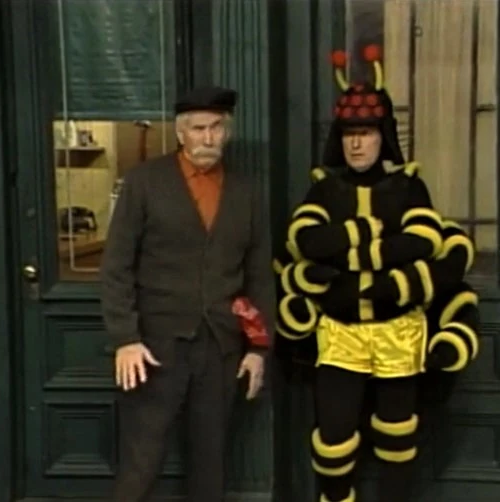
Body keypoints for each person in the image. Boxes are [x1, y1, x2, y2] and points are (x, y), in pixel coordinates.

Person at [273, 46, 480, 502]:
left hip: (398, 333)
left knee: (397, 435)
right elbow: (307, 241)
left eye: (365, 133)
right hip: (340, 335)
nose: (357, 144)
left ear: (382, 136)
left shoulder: (409, 186)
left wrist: (351, 256)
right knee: (333, 438)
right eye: (350, 134)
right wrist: (370, 233)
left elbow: (422, 241)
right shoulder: (324, 190)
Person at [100, 86, 275, 502]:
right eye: (198, 129)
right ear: (181, 133)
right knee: (142, 463)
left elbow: (258, 277)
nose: (208, 138)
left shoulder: (247, 191)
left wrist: (258, 348)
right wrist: (125, 338)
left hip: (220, 348)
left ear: (227, 132)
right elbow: (116, 266)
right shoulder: (145, 182)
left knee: (210, 466)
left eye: (216, 128)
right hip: (153, 349)